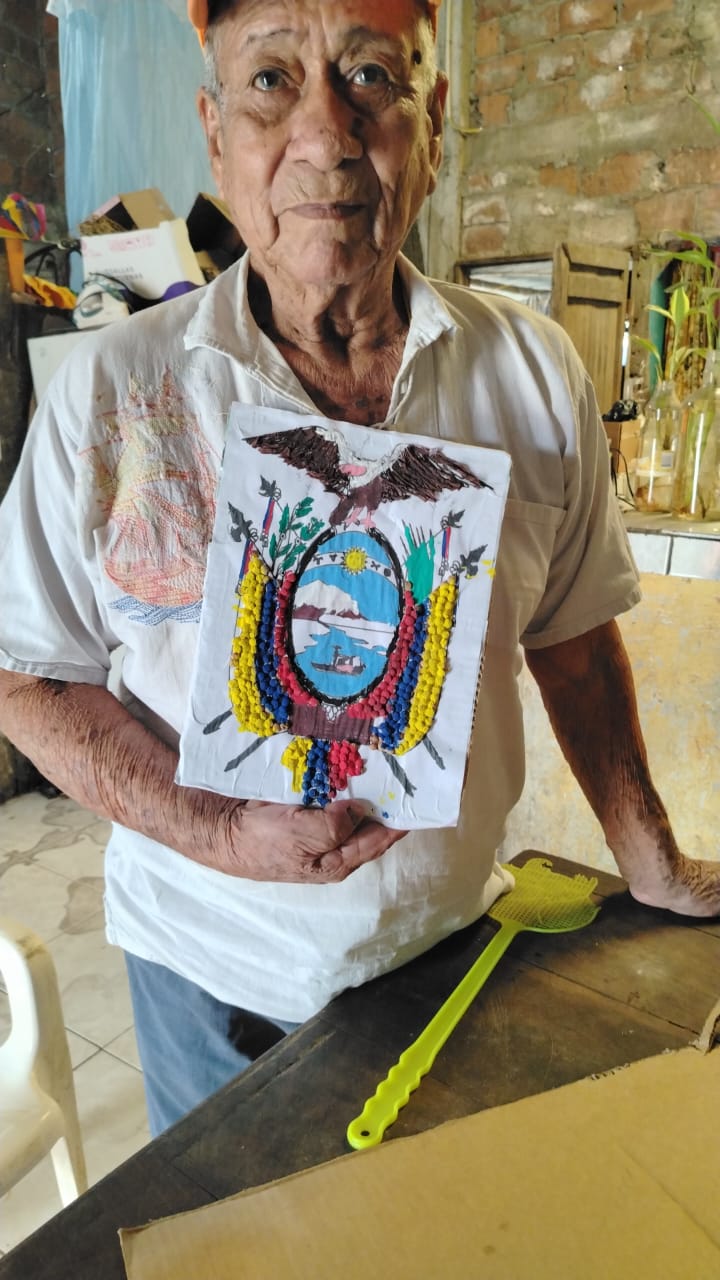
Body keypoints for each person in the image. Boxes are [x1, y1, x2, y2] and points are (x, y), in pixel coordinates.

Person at [0, 0, 717, 1136]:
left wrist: (652, 860)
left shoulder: (533, 373)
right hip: (208, 972)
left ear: (432, 123)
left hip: (446, 947)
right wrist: (219, 829)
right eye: (271, 81)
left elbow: (574, 643)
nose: (326, 135)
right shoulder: (112, 393)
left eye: (372, 78)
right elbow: (25, 676)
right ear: (214, 133)